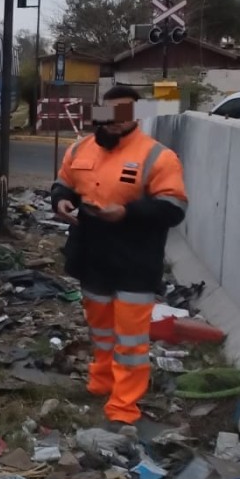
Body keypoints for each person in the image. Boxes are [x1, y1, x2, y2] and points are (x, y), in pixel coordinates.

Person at [50, 86, 188, 429]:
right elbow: (63, 183)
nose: (112, 122)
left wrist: (126, 212)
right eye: (107, 113)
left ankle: (124, 405)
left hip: (135, 260)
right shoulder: (80, 148)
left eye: (120, 115)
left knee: (130, 337)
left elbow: (173, 208)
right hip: (92, 255)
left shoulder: (158, 156)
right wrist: (60, 200)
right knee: (100, 329)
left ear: (134, 116)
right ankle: (102, 381)